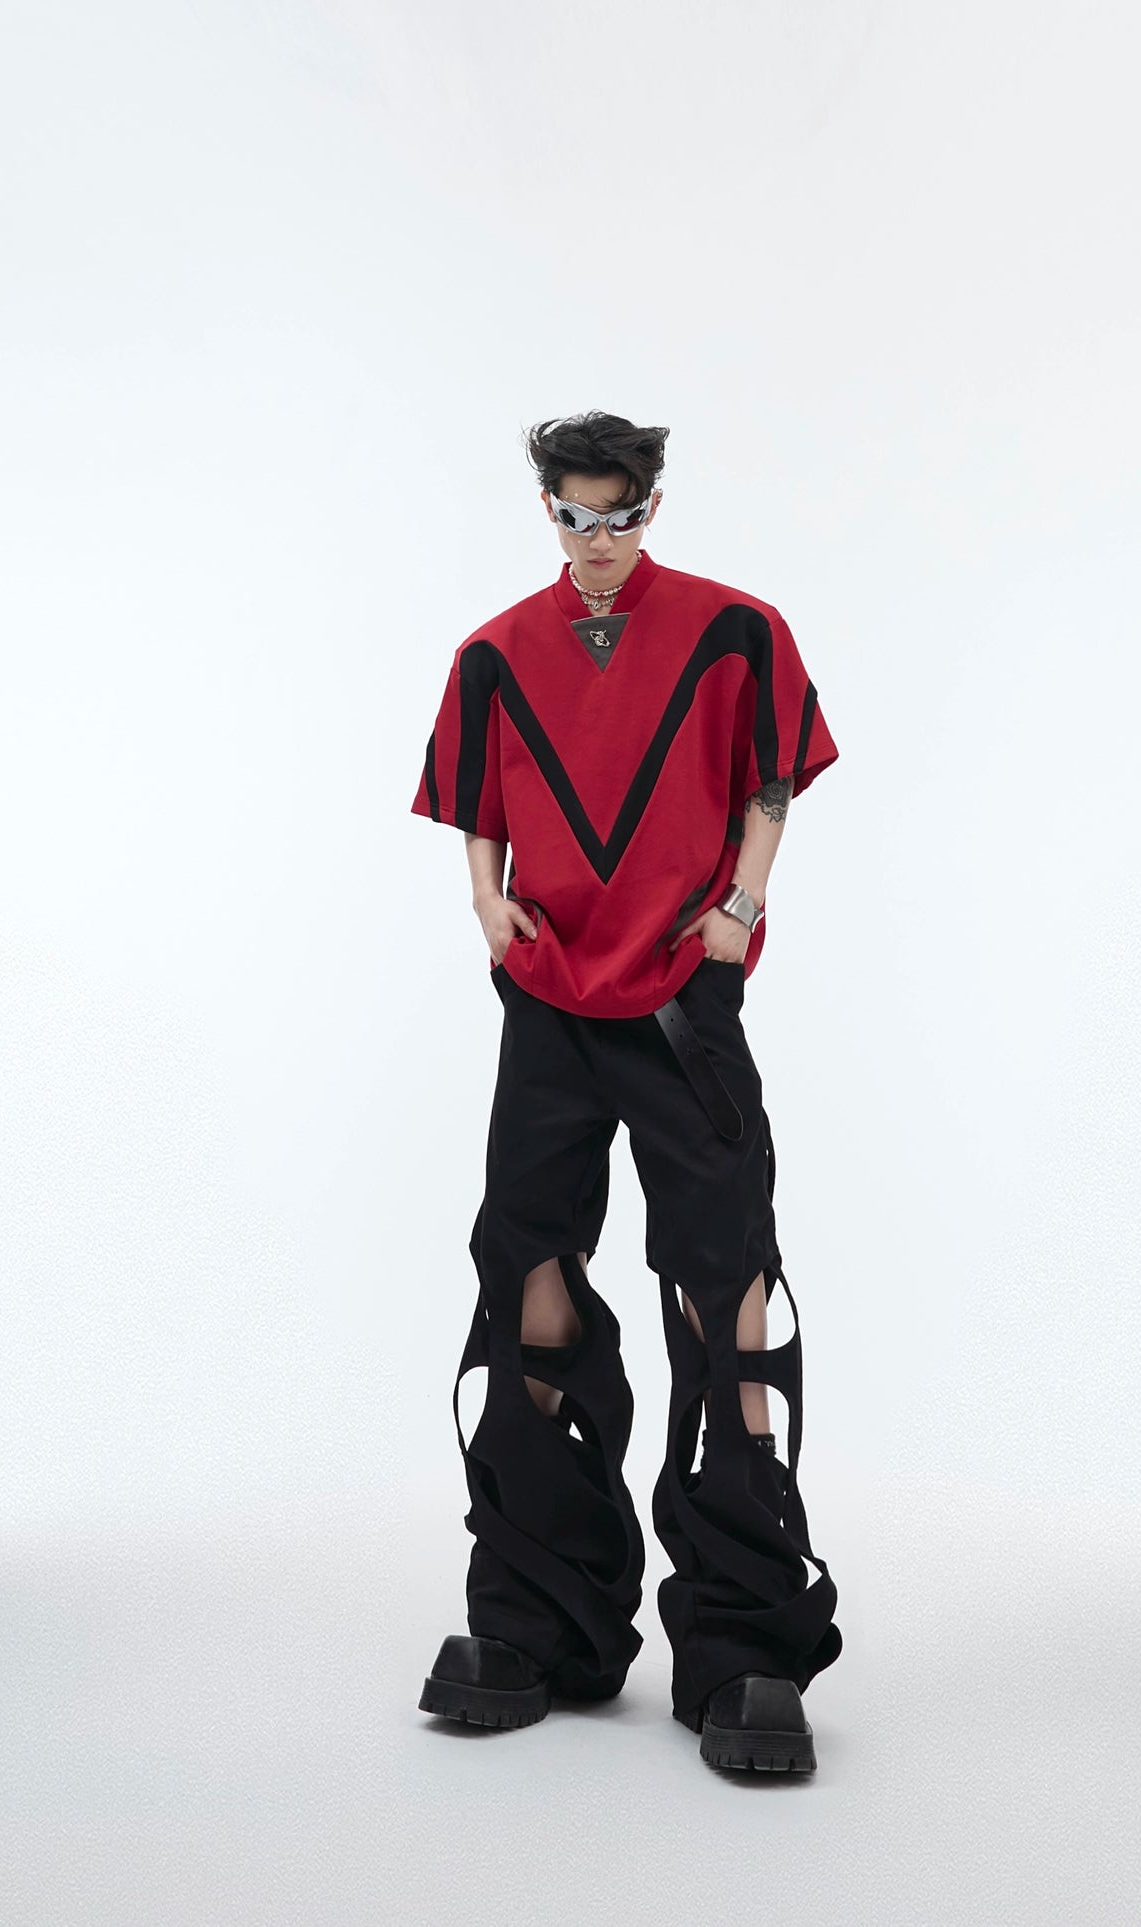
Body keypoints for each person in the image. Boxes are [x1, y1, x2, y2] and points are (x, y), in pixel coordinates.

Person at [410, 411, 844, 1772]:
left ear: (651, 508)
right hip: (548, 994)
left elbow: (773, 774)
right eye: (572, 516)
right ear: (546, 509)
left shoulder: (735, 632)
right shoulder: (494, 653)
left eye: (619, 515)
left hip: (678, 1001)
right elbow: (479, 801)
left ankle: (743, 1641)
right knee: (527, 1278)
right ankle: (539, 1622)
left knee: (728, 1292)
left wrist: (738, 909)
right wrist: (485, 902)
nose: (596, 540)